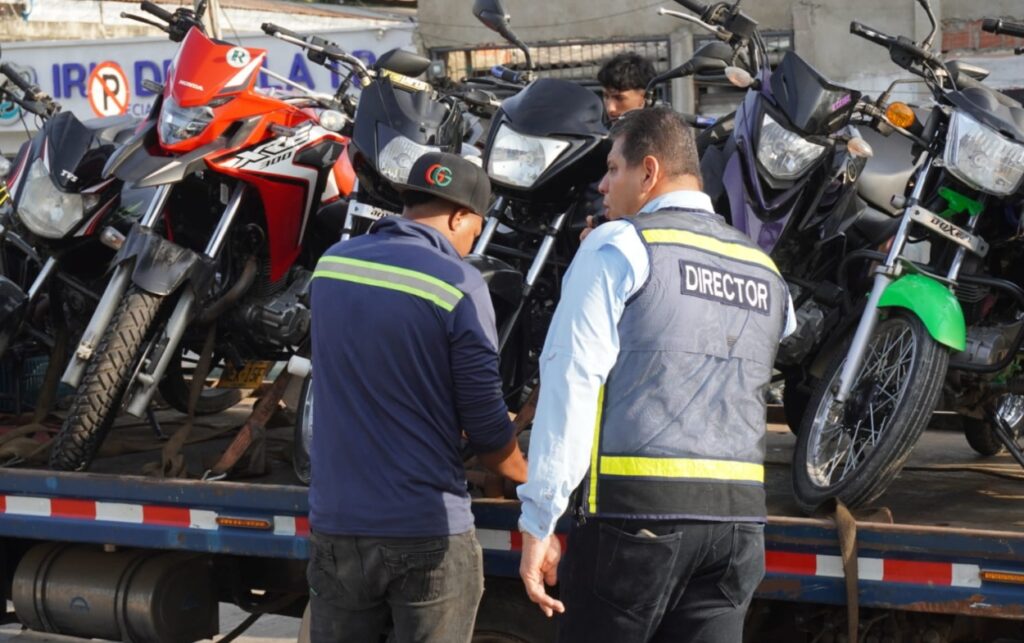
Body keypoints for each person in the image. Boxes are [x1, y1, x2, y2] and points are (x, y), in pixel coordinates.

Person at [517, 107, 796, 642]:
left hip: (635, 522)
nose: (601, 184)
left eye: (612, 168)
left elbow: (572, 382)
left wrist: (539, 519)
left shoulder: (618, 246)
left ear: (648, 172)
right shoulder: (764, 269)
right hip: (737, 526)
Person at [307, 151, 528, 643]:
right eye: (476, 225)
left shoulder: (330, 268)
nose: (474, 238)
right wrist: (529, 478)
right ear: (458, 216)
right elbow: (488, 429)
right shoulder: (458, 283)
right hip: (424, 528)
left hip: (336, 524)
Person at [597, 51, 656, 120]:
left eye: (619, 98)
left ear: (645, 98)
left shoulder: (664, 129)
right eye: (606, 97)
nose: (610, 109)